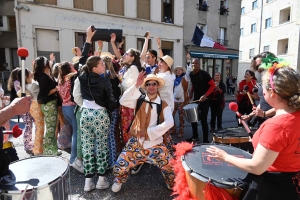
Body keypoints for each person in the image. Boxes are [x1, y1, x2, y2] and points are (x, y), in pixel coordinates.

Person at [207, 66, 300, 199]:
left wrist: (225, 157)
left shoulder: (277, 126)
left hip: (273, 189)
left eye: (263, 87)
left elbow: (257, 167)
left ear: (272, 92)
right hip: (294, 185)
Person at [112, 72, 175, 193]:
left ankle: (170, 182)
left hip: (155, 144)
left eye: (154, 84)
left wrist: (149, 132)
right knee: (120, 165)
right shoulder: (139, 100)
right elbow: (123, 100)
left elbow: (169, 122)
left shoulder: (163, 104)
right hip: (136, 143)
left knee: (171, 168)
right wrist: (136, 85)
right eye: (148, 84)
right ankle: (119, 180)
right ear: (145, 86)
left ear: (158, 86)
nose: (151, 86)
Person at [76, 56, 116, 192]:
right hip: (100, 114)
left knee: (87, 147)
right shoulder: (104, 80)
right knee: (102, 147)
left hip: (85, 113)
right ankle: (101, 179)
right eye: (101, 64)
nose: (104, 66)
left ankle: (88, 182)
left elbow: (80, 63)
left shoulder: (82, 77)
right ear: (94, 68)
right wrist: (113, 107)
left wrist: (88, 42)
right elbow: (110, 100)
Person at [33, 56, 60, 156]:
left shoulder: (46, 75)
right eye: (48, 61)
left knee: (52, 128)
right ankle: (49, 151)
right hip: (48, 104)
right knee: (50, 129)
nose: (49, 62)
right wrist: (56, 89)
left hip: (51, 104)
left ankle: (52, 150)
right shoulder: (43, 77)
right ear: (44, 64)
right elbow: (44, 93)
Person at [185, 58, 215, 143]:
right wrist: (191, 93)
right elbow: (195, 85)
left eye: (196, 63)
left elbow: (212, 86)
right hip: (196, 99)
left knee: (203, 120)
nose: (194, 65)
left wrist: (205, 95)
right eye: (193, 64)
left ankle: (205, 140)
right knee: (193, 119)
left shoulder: (204, 74)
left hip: (205, 100)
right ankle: (195, 137)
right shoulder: (191, 74)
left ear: (199, 64)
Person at [57, 62, 78, 164]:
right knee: (76, 134)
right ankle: (73, 159)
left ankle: (74, 157)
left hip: (65, 107)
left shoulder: (60, 80)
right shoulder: (71, 79)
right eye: (71, 65)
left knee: (73, 132)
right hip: (72, 106)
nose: (73, 66)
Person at [16, 69, 35, 155]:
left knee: (32, 126)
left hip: (32, 109)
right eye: (29, 74)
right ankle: (27, 145)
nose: (31, 74)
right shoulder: (23, 88)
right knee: (28, 127)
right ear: (25, 76)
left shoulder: (28, 85)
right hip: (26, 110)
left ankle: (32, 144)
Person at [172, 66, 189, 138]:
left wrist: (188, 62)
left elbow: (189, 72)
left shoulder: (184, 78)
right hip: (174, 100)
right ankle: (173, 129)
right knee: (171, 116)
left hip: (182, 101)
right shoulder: (174, 79)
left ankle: (181, 132)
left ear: (182, 71)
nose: (178, 71)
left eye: (180, 70)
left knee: (181, 117)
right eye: (177, 70)